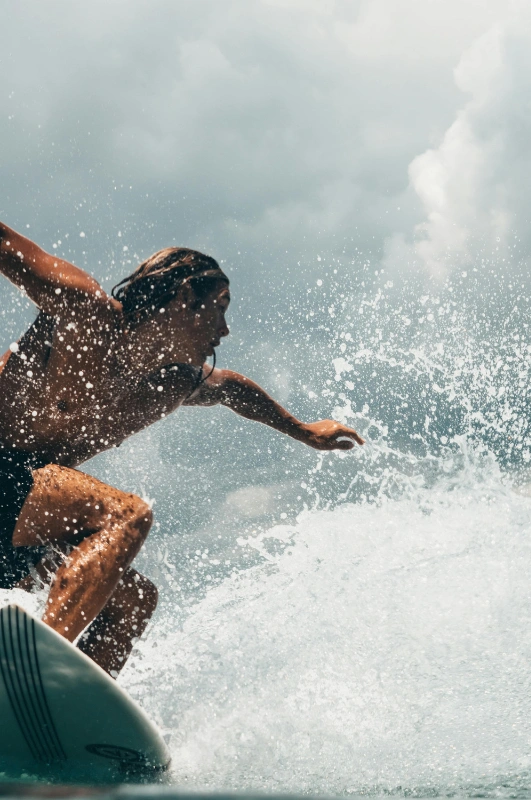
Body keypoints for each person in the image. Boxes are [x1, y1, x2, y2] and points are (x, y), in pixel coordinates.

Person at [0, 221, 364, 677]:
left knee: (134, 601)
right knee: (126, 515)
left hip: (17, 515)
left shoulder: (169, 384)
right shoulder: (86, 314)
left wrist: (305, 431)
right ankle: (36, 672)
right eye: (220, 308)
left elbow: (231, 390)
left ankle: (67, 713)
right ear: (184, 297)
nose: (226, 330)